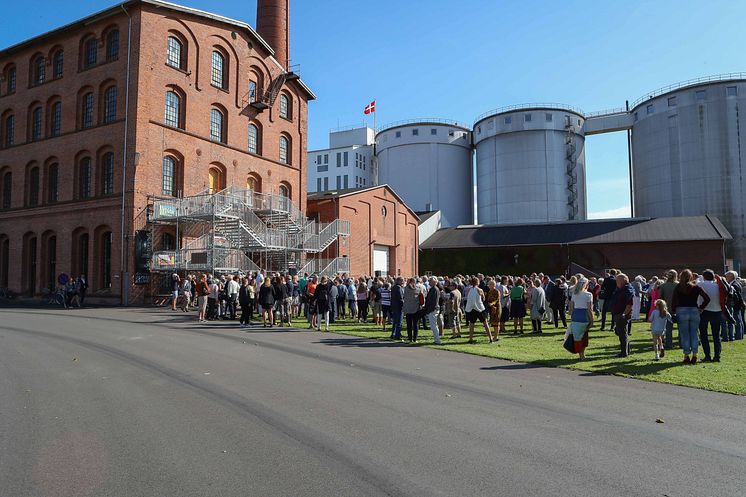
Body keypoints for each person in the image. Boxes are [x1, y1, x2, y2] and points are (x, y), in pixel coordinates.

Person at [672, 269, 710, 365]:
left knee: (684, 334)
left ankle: (686, 355)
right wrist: (701, 308)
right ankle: (695, 355)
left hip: (681, 310)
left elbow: (674, 301)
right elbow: (707, 298)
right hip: (694, 310)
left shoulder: (678, 287)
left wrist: (673, 311)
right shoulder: (696, 287)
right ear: (691, 277)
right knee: (694, 333)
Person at [697, 270, 726, 362]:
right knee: (716, 335)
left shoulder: (701, 285)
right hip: (717, 311)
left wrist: (700, 277)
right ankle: (717, 356)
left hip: (704, 311)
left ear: (704, 277)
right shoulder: (717, 285)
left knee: (704, 335)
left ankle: (707, 356)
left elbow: (697, 281)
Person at [568, 277, 594, 360]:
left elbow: (571, 309)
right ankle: (582, 354)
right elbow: (589, 309)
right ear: (586, 285)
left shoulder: (574, 294)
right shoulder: (588, 295)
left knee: (577, 338)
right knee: (584, 337)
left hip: (576, 317)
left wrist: (572, 317)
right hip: (584, 317)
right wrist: (592, 320)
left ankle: (581, 355)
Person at [610, 273, 634, 357]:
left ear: (622, 281)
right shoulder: (620, 289)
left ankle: (624, 352)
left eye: (617, 281)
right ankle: (626, 350)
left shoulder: (628, 290)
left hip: (622, 314)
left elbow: (629, 304)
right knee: (621, 332)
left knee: (622, 333)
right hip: (618, 313)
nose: (616, 282)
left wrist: (624, 314)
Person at [464, 277, 495, 343]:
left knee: (472, 324)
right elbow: (483, 298)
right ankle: (490, 338)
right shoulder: (479, 289)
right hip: (480, 308)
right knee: (485, 323)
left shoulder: (470, 289)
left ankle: (471, 339)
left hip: (472, 308)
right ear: (477, 282)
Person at [658, 270, 678, 350]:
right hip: (678, 308)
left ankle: (669, 344)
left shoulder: (663, 286)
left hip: (667, 309)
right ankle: (682, 343)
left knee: (668, 328)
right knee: (681, 327)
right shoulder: (678, 285)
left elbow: (661, 298)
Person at [725, 271, 745, 341]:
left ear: (731, 276)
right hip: (738, 304)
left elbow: (738, 296)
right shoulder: (736, 283)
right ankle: (740, 335)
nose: (726, 277)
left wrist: (740, 302)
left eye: (727, 276)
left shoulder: (734, 284)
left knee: (737, 320)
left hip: (735, 304)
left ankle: (738, 335)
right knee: (739, 320)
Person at [403, 278, 424, 343]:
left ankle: (410, 338)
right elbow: (422, 296)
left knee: (409, 325)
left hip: (408, 309)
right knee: (416, 324)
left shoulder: (405, 289)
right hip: (416, 308)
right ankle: (415, 338)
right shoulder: (418, 289)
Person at [423, 277, 442, 345]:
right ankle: (437, 339)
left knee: (433, 326)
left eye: (430, 280)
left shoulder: (434, 289)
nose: (429, 282)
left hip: (433, 309)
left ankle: (437, 340)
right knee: (434, 325)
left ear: (434, 282)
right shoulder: (433, 289)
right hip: (433, 309)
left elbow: (433, 301)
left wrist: (429, 310)